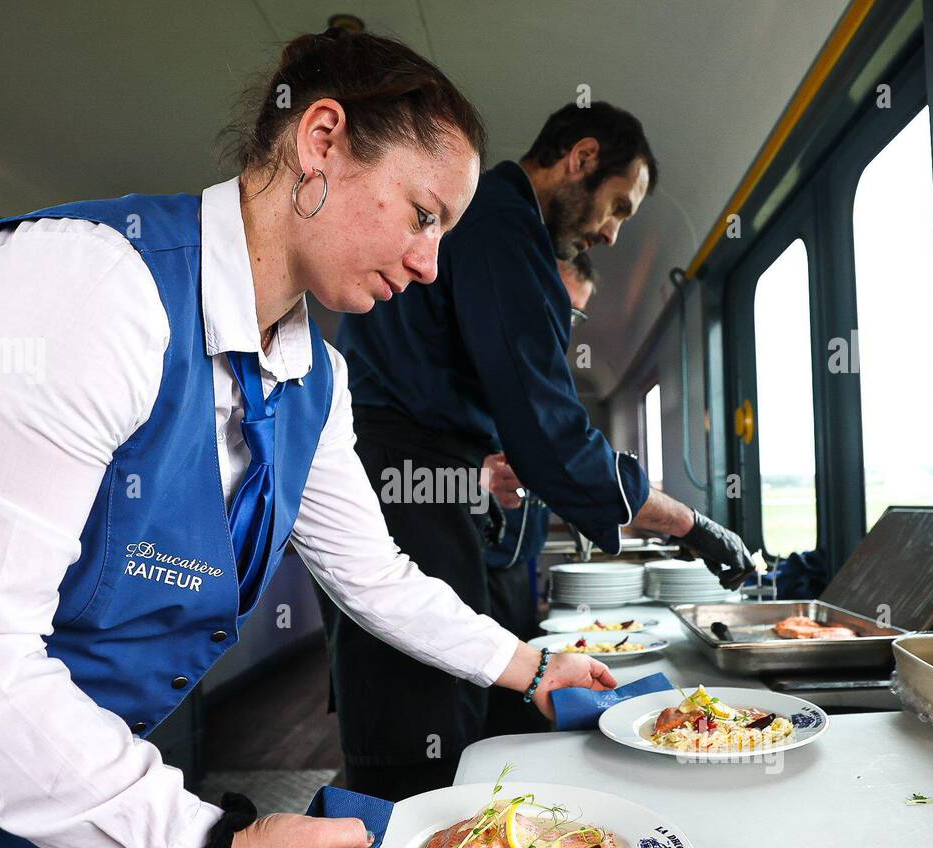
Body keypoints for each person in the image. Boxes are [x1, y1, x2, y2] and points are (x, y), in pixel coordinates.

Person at [0, 30, 618, 848]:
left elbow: (376, 578)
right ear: (322, 141)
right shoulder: (88, 288)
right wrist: (215, 844)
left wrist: (534, 667)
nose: (430, 265)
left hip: (76, 815)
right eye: (422, 215)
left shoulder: (315, 380)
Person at [323, 101, 753, 798]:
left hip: (417, 467)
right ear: (580, 158)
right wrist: (689, 525)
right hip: (411, 477)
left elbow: (522, 424)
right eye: (617, 206)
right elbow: (551, 433)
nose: (611, 234)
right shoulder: (502, 223)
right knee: (420, 705)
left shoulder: (494, 222)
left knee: (414, 683)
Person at [481, 253, 598, 737]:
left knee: (515, 713)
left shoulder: (538, 386)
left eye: (574, 315)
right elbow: (391, 479)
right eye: (558, 307)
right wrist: (474, 479)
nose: (562, 326)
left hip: (517, 573)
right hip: (463, 575)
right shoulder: (473, 372)